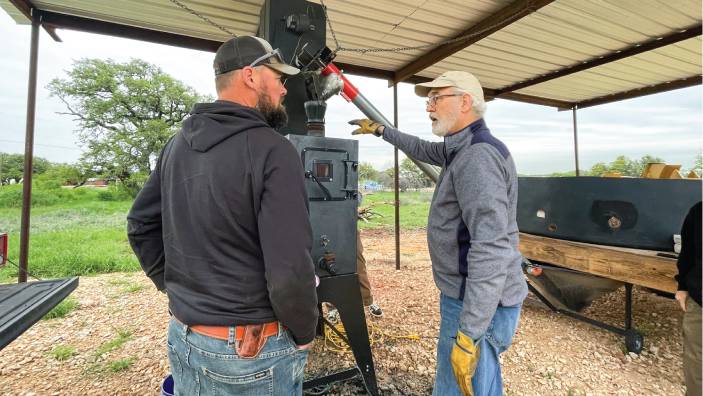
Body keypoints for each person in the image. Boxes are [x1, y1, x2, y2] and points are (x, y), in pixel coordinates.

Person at [127, 35, 318, 396]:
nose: (282, 90)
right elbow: (290, 266)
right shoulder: (274, 151)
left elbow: (140, 226)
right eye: (278, 78)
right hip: (252, 351)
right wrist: (306, 331)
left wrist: (175, 288)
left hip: (185, 334)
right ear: (250, 76)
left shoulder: (176, 144)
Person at [349, 71, 527, 396]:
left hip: (473, 303)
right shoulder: (461, 147)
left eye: (436, 98)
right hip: (472, 298)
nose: (428, 107)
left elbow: (491, 247)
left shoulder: (476, 157)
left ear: (465, 102)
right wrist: (382, 131)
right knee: (482, 387)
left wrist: (469, 333)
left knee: (454, 389)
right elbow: (421, 148)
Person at [675, 201, 701, 396]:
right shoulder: (699, 211)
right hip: (700, 300)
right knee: (697, 363)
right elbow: (688, 253)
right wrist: (682, 286)